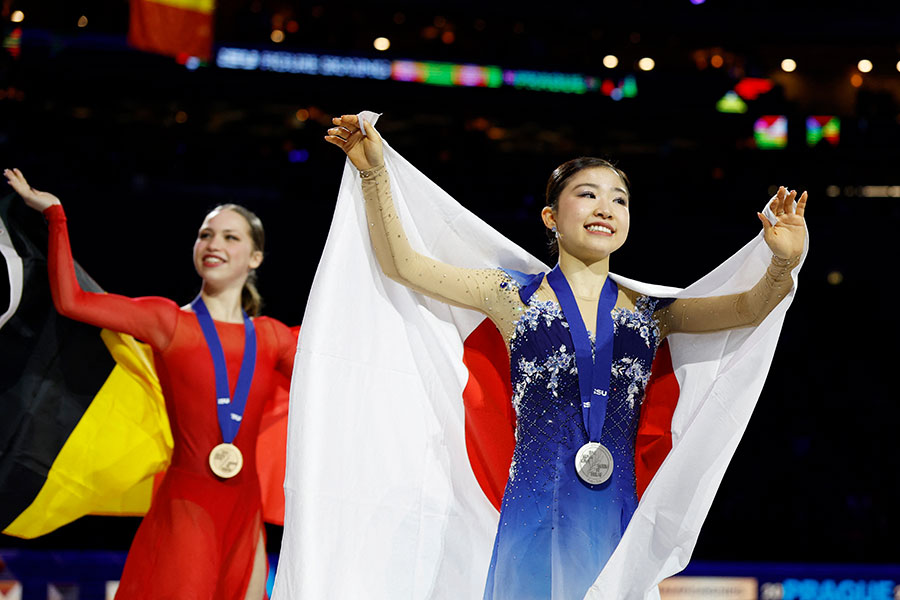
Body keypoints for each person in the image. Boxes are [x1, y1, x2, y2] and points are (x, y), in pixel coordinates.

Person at [323, 115, 807, 599]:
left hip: (616, 520)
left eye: (620, 198)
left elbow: (749, 307)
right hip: (533, 518)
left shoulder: (654, 312)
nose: (607, 206)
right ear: (550, 217)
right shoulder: (511, 296)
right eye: (588, 194)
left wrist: (783, 260)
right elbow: (404, 264)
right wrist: (373, 173)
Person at [4, 167, 298, 600]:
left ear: (255, 258)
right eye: (205, 235)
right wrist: (55, 216)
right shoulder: (168, 321)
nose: (213, 244)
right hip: (186, 508)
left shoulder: (272, 337)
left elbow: (334, 379)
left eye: (230, 237)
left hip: (244, 512)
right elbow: (72, 301)